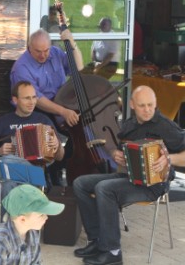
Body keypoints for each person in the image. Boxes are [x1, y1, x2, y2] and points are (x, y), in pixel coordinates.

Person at [73, 85, 185, 265]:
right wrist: (116, 155)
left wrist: (168, 159)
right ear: (132, 104)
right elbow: (122, 151)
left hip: (154, 185)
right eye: (142, 105)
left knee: (104, 189)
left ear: (156, 104)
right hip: (130, 178)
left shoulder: (165, 126)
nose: (147, 110)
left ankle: (112, 252)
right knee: (80, 184)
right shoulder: (129, 125)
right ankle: (96, 240)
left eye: (151, 105)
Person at [0, 81, 64, 226]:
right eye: (27, 98)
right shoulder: (4, 121)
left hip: (34, 173)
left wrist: (57, 146)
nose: (32, 102)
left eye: (34, 97)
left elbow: (60, 157)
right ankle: (9, 230)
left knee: (6, 161)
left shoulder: (43, 120)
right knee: (7, 184)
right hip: (9, 176)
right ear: (15, 100)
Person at [10, 28, 83, 186]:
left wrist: (72, 43)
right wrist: (64, 112)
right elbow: (38, 99)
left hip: (62, 104)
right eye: (38, 51)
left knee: (83, 130)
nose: (43, 55)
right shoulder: (21, 67)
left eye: (46, 50)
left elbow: (79, 69)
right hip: (36, 109)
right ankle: (52, 172)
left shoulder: (55, 53)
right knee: (54, 136)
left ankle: (61, 168)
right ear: (29, 47)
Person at [0, 184, 65, 265]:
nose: (46, 217)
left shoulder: (32, 235)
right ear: (22, 219)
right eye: (41, 215)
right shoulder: (0, 242)